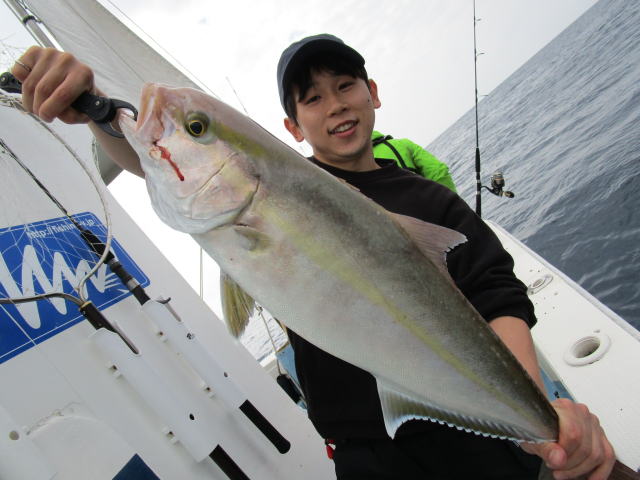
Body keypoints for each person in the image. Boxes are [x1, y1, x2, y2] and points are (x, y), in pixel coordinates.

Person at [12, 37, 615, 480]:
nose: (335, 105)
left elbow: (497, 291)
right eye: (312, 98)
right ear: (291, 127)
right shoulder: (279, 189)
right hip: (366, 457)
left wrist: (539, 421)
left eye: (346, 86)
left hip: (482, 442)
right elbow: (148, 157)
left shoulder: (431, 200)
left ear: (372, 93)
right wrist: (95, 108)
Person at [371, 130, 457, 192]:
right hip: (430, 202)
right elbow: (438, 170)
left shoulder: (363, 165)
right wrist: (451, 204)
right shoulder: (402, 144)